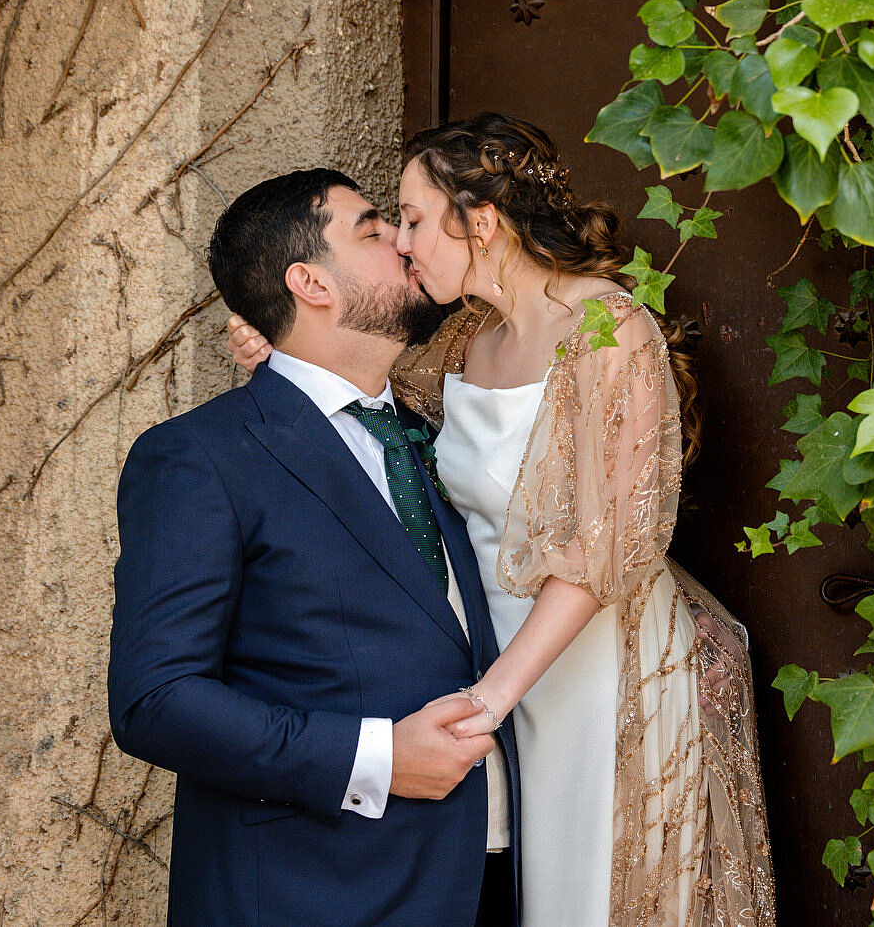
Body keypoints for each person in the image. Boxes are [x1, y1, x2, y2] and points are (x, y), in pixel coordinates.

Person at [228, 115, 776, 927]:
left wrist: (489, 698)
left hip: (602, 673)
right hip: (520, 686)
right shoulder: (464, 342)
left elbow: (601, 546)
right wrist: (279, 351)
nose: (404, 243)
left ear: (479, 221)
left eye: (411, 219)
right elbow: (358, 400)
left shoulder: (608, 327)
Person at [110, 169, 520, 926]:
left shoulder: (438, 435)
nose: (404, 242)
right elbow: (155, 700)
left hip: (488, 874)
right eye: (373, 229)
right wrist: (378, 760)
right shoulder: (199, 457)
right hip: (313, 889)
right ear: (310, 283)